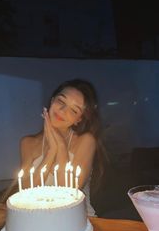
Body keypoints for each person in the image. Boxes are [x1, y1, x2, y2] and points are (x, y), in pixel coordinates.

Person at [20, 79, 108, 216]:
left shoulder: (86, 141)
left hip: (79, 221)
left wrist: (60, 146)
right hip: (37, 219)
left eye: (73, 110)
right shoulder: (28, 143)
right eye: (61, 102)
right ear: (52, 100)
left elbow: (68, 193)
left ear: (79, 119)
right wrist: (51, 151)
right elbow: (27, 191)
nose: (62, 111)